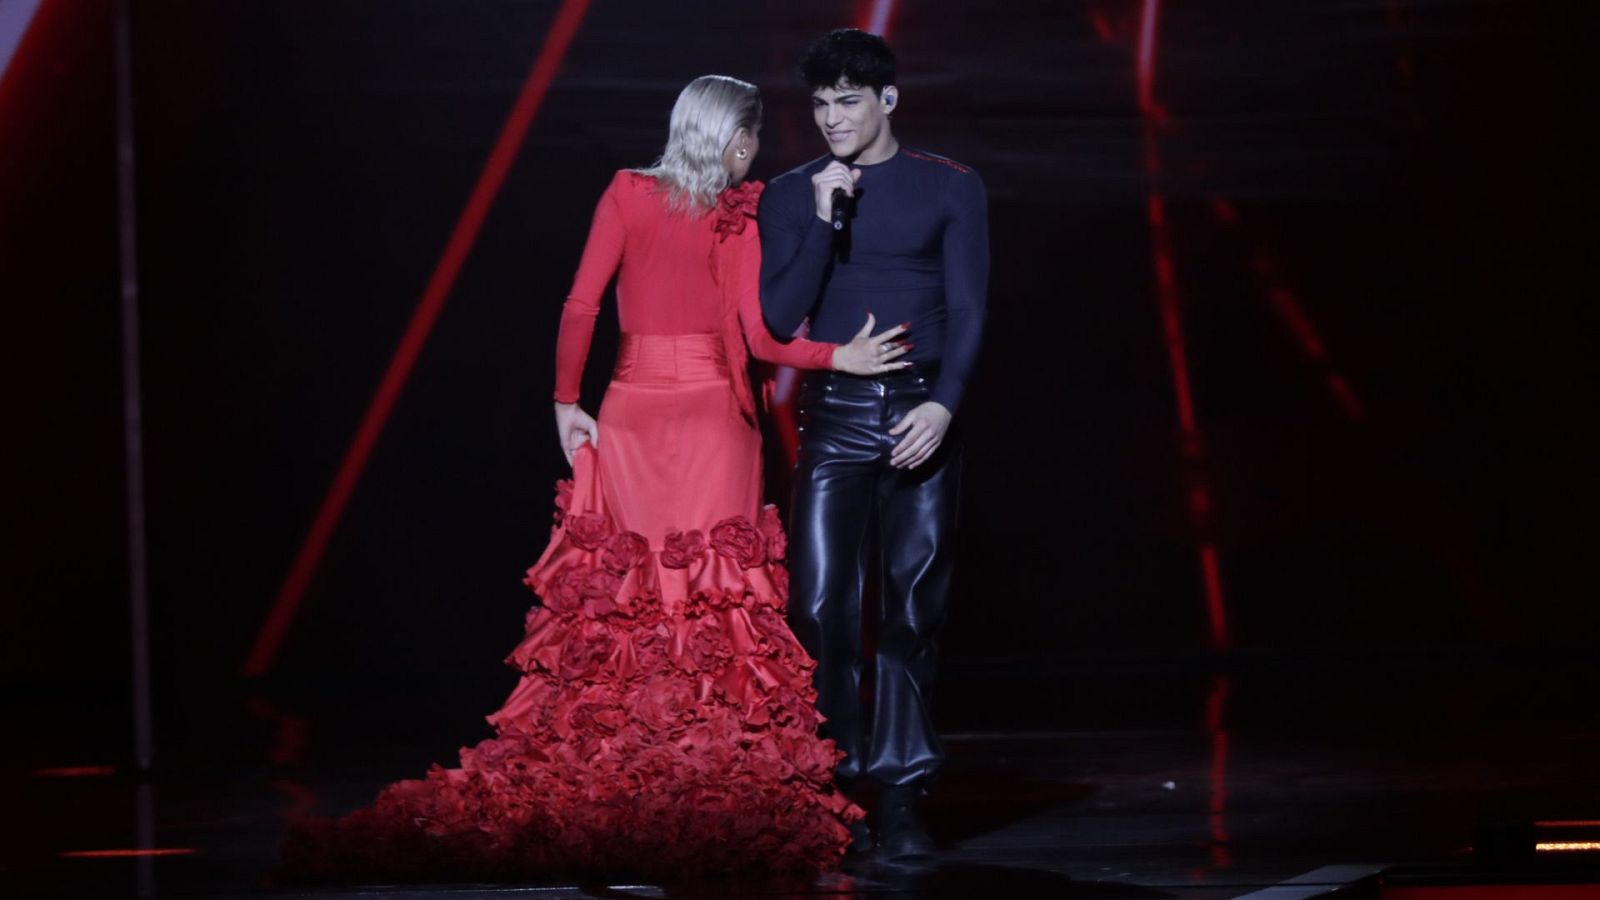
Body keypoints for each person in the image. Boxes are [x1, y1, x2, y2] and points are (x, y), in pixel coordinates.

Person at [283, 74, 912, 881]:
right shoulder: (737, 213)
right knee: (714, 597)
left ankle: (632, 759)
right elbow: (759, 337)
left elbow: (580, 306)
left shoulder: (626, 193)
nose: (751, 152)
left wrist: (564, 402)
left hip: (632, 412)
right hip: (716, 419)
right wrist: (839, 356)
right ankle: (707, 769)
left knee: (630, 596)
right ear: (738, 138)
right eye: (751, 138)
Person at [758, 29, 989, 859]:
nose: (831, 118)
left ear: (887, 100)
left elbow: (967, 309)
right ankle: (832, 778)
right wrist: (824, 219)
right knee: (818, 604)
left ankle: (899, 794)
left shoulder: (949, 187)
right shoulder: (790, 194)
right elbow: (778, 320)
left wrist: (945, 407)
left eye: (847, 100)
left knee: (911, 606)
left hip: (922, 412)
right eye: (819, 103)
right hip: (836, 413)